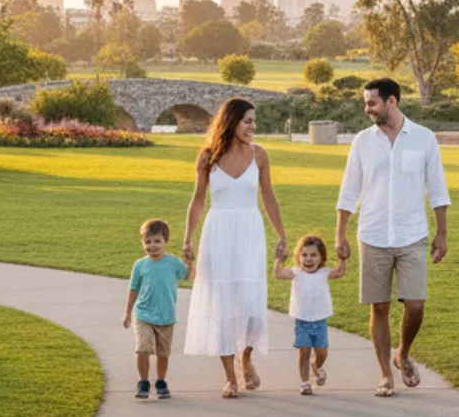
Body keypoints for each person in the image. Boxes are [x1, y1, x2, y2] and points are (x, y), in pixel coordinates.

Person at [335, 78, 450, 397]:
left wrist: (442, 233)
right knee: (380, 308)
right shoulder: (362, 141)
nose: (366, 108)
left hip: (412, 234)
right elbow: (349, 189)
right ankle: (386, 374)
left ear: (391, 102)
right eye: (366, 103)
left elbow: (438, 188)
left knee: (415, 304)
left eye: (371, 103)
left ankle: (403, 353)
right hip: (372, 234)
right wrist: (340, 234)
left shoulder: (423, 139)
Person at [182, 97, 289, 399]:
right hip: (218, 233)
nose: (253, 127)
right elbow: (198, 200)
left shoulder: (260, 155)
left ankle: (246, 357)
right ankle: (230, 377)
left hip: (250, 232)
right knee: (223, 305)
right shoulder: (208, 156)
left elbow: (268, 197)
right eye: (247, 121)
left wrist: (281, 235)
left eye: (254, 121)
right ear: (231, 122)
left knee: (252, 304)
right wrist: (188, 238)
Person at [123, 218, 189, 400]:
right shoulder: (140, 265)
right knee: (142, 348)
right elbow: (133, 288)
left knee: (163, 353)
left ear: (166, 242)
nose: (152, 246)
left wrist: (190, 259)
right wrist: (127, 313)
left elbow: (189, 274)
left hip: (166, 316)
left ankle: (161, 381)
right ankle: (143, 381)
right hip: (143, 314)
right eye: (148, 242)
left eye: (157, 241)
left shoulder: (173, 263)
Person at [273, 235, 345, 395]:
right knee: (303, 351)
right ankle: (305, 382)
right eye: (304, 255)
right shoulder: (296, 273)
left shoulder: (324, 273)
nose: (309, 259)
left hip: (320, 321)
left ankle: (316, 366)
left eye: (314, 255)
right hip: (302, 321)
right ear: (298, 257)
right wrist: (279, 260)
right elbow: (278, 274)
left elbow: (340, 273)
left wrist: (342, 259)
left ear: (322, 258)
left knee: (322, 352)